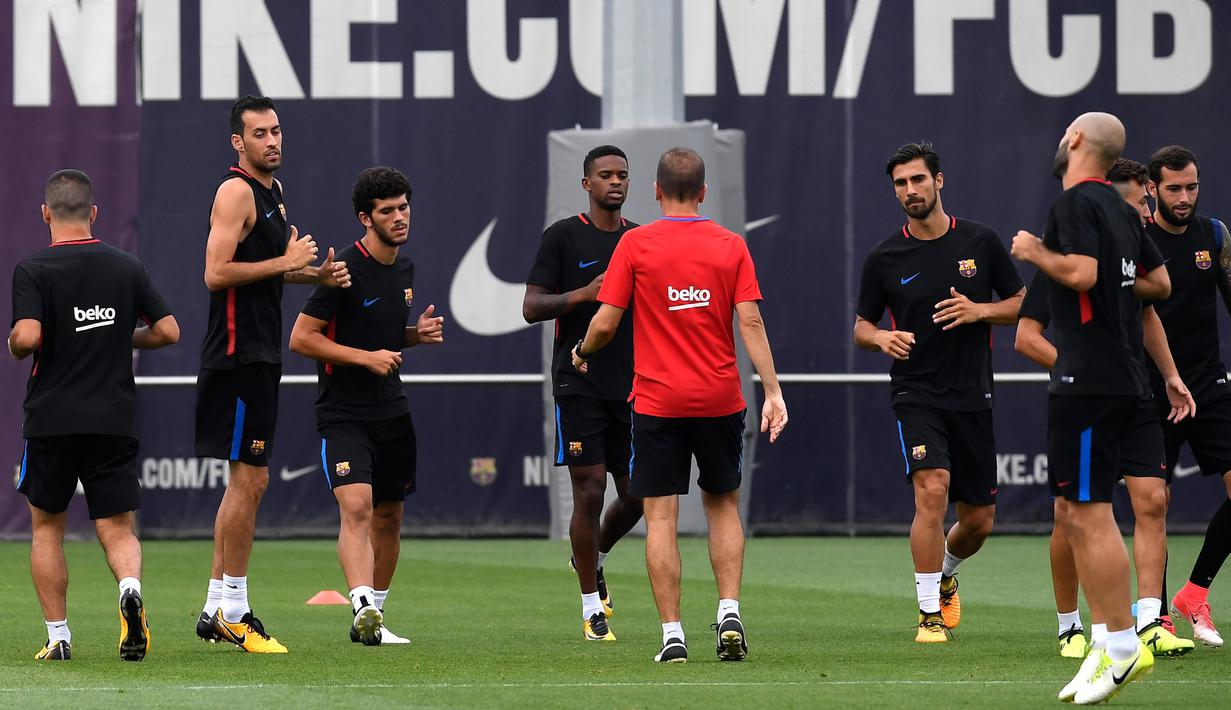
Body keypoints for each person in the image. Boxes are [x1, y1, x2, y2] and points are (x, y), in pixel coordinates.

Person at [571, 147, 787, 664]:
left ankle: (673, 635)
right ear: (705, 193)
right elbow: (751, 323)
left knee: (661, 518)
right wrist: (774, 392)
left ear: (656, 191)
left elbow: (605, 322)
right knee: (723, 507)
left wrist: (582, 352)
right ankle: (729, 610)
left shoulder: (635, 243)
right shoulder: (730, 244)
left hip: (658, 403)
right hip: (719, 400)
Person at [1014, 157, 1195, 661]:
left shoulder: (1131, 253)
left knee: (1153, 499)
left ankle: (1148, 621)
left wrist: (1171, 377)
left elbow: (1150, 311)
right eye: (1137, 201)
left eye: (1146, 201)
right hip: (1084, 392)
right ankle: (1071, 624)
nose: (1146, 210)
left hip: (1134, 392)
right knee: (1072, 514)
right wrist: (1071, 365)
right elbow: (1026, 338)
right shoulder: (1067, 258)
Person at [1010, 112, 1157, 703]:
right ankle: (1103, 638)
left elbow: (1082, 272)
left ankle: (1122, 646)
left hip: (1091, 379)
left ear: (1075, 141)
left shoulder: (1075, 202)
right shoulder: (1123, 210)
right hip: (1110, 376)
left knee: (1090, 512)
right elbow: (1157, 283)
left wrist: (1034, 251)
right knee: (1072, 511)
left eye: (1063, 131)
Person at [195, 96, 351, 653]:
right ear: (238, 142)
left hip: (261, 353)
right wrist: (287, 264)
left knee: (249, 479)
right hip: (238, 355)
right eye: (259, 133)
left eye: (276, 131)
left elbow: (264, 273)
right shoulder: (235, 190)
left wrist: (315, 275)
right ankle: (233, 608)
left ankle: (217, 605)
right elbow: (216, 273)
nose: (272, 141)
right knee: (252, 479)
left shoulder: (274, 193)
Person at [853, 142, 1024, 643]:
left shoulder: (981, 241)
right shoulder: (884, 257)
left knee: (978, 522)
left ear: (939, 181)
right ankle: (928, 613)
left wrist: (980, 311)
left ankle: (946, 571)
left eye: (918, 180)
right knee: (932, 491)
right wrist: (880, 337)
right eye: (901, 184)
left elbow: (1024, 304)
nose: (910, 191)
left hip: (973, 394)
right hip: (915, 392)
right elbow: (861, 327)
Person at [9, 169, 180, 661]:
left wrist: (15, 341)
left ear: (46, 213)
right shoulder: (127, 267)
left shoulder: (34, 269)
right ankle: (129, 588)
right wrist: (116, 333)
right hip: (112, 418)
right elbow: (168, 331)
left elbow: (27, 337)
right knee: (118, 527)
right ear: (94, 213)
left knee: (46, 528)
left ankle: (59, 637)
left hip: (52, 419)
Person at [289, 166, 443, 645]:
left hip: (392, 410)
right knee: (356, 505)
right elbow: (301, 338)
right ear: (364, 218)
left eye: (403, 207)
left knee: (390, 515)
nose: (399, 217)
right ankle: (359, 604)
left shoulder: (405, 268)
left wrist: (416, 336)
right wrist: (365, 358)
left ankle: (375, 616)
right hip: (344, 412)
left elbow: (382, 337)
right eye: (387, 211)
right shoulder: (342, 271)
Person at [523, 145, 644, 641]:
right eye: (605, 175)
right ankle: (591, 608)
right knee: (590, 489)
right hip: (578, 380)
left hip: (634, 384)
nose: (615, 182)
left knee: (638, 494)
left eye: (623, 175)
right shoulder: (563, 237)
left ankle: (590, 556)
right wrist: (582, 294)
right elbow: (531, 306)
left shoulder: (641, 240)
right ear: (586, 184)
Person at [1144, 146, 1231, 648]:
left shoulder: (1215, 235)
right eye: (1174, 188)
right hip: (1152, 392)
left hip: (1209, 385)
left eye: (1191, 186)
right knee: (1153, 503)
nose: (1184, 197)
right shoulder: (1137, 240)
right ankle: (1154, 618)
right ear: (1152, 188)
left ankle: (1194, 593)